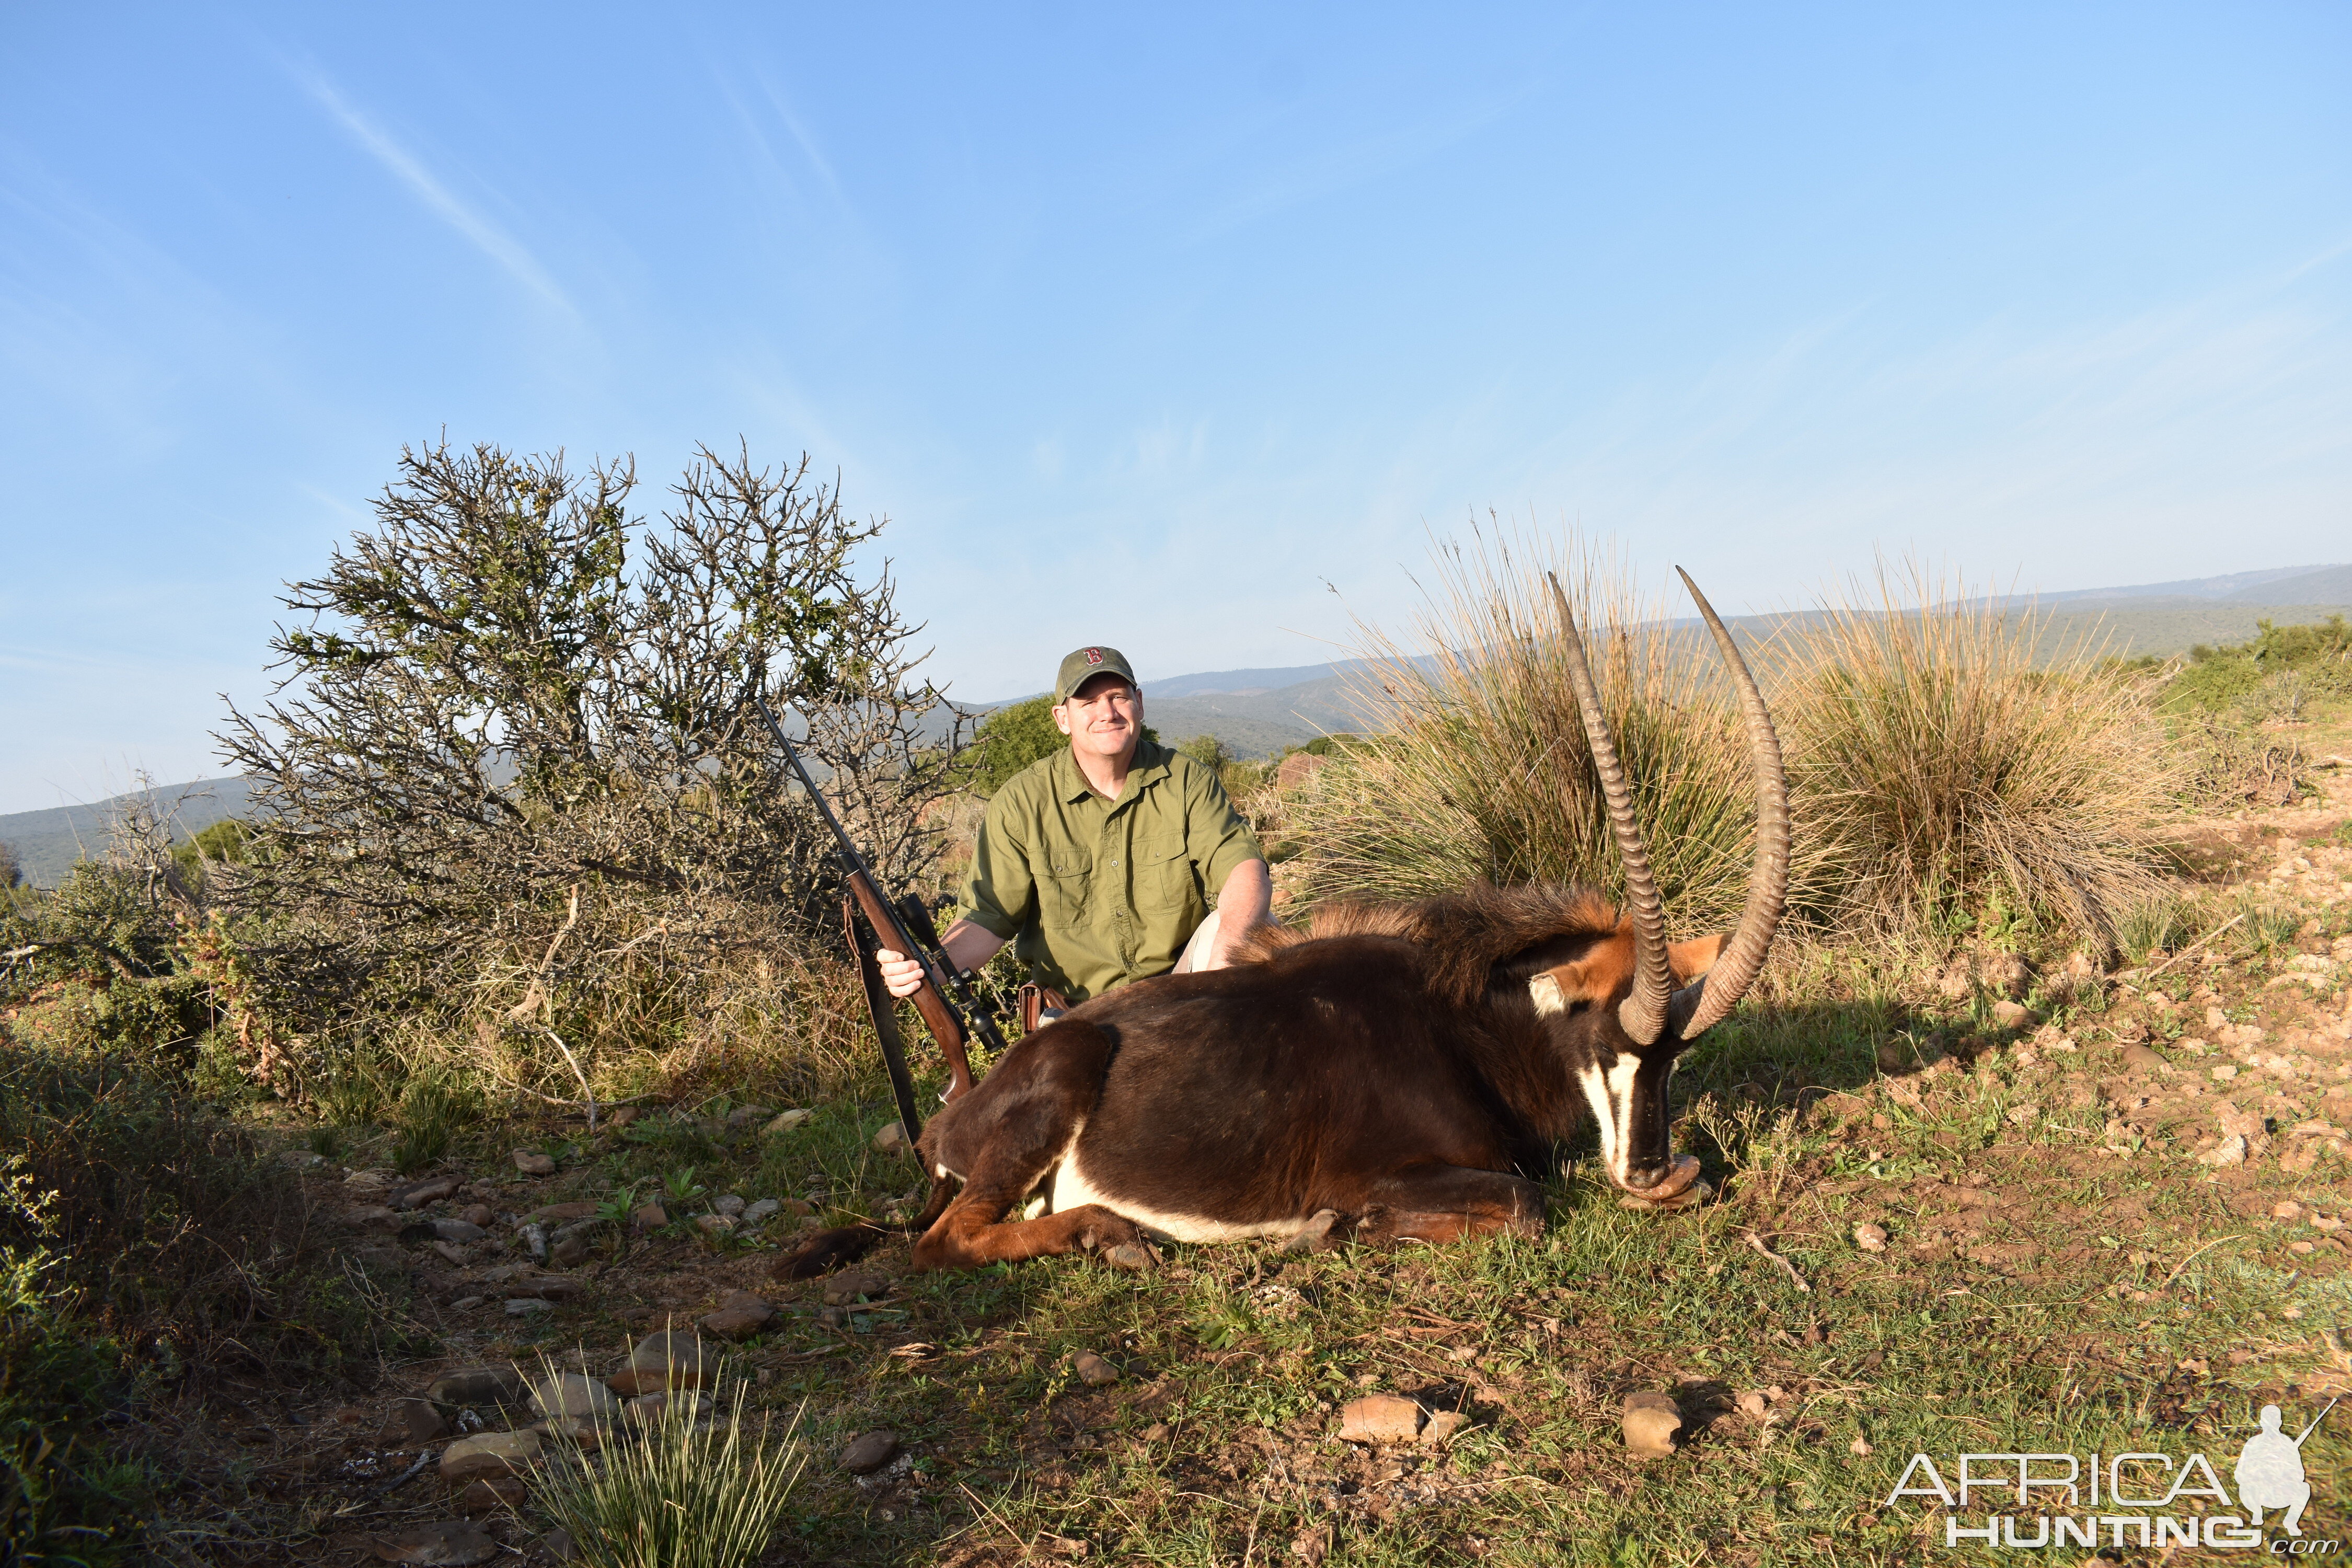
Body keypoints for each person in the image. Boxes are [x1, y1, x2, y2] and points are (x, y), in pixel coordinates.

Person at [877, 645, 1271, 1016]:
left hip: (1180, 994)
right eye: (1088, 702)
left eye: (1118, 696)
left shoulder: (1186, 780)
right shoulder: (1022, 801)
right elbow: (988, 916)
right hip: (1078, 1014)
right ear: (1062, 719)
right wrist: (928, 971)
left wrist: (1224, 966)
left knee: (1257, 924)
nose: (1108, 712)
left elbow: (1242, 867)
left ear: (1140, 703)